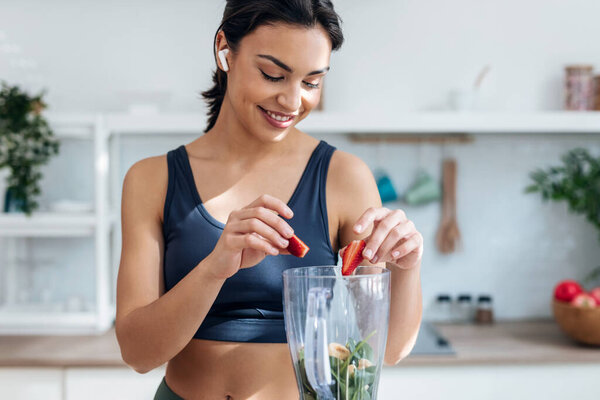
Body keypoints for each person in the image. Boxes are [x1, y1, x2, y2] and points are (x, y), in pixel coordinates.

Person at [115, 1, 423, 399]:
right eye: (273, 75)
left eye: (311, 82)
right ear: (225, 48)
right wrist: (214, 269)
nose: (293, 102)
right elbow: (138, 353)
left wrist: (407, 268)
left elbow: (390, 349)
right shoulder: (152, 179)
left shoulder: (343, 177)